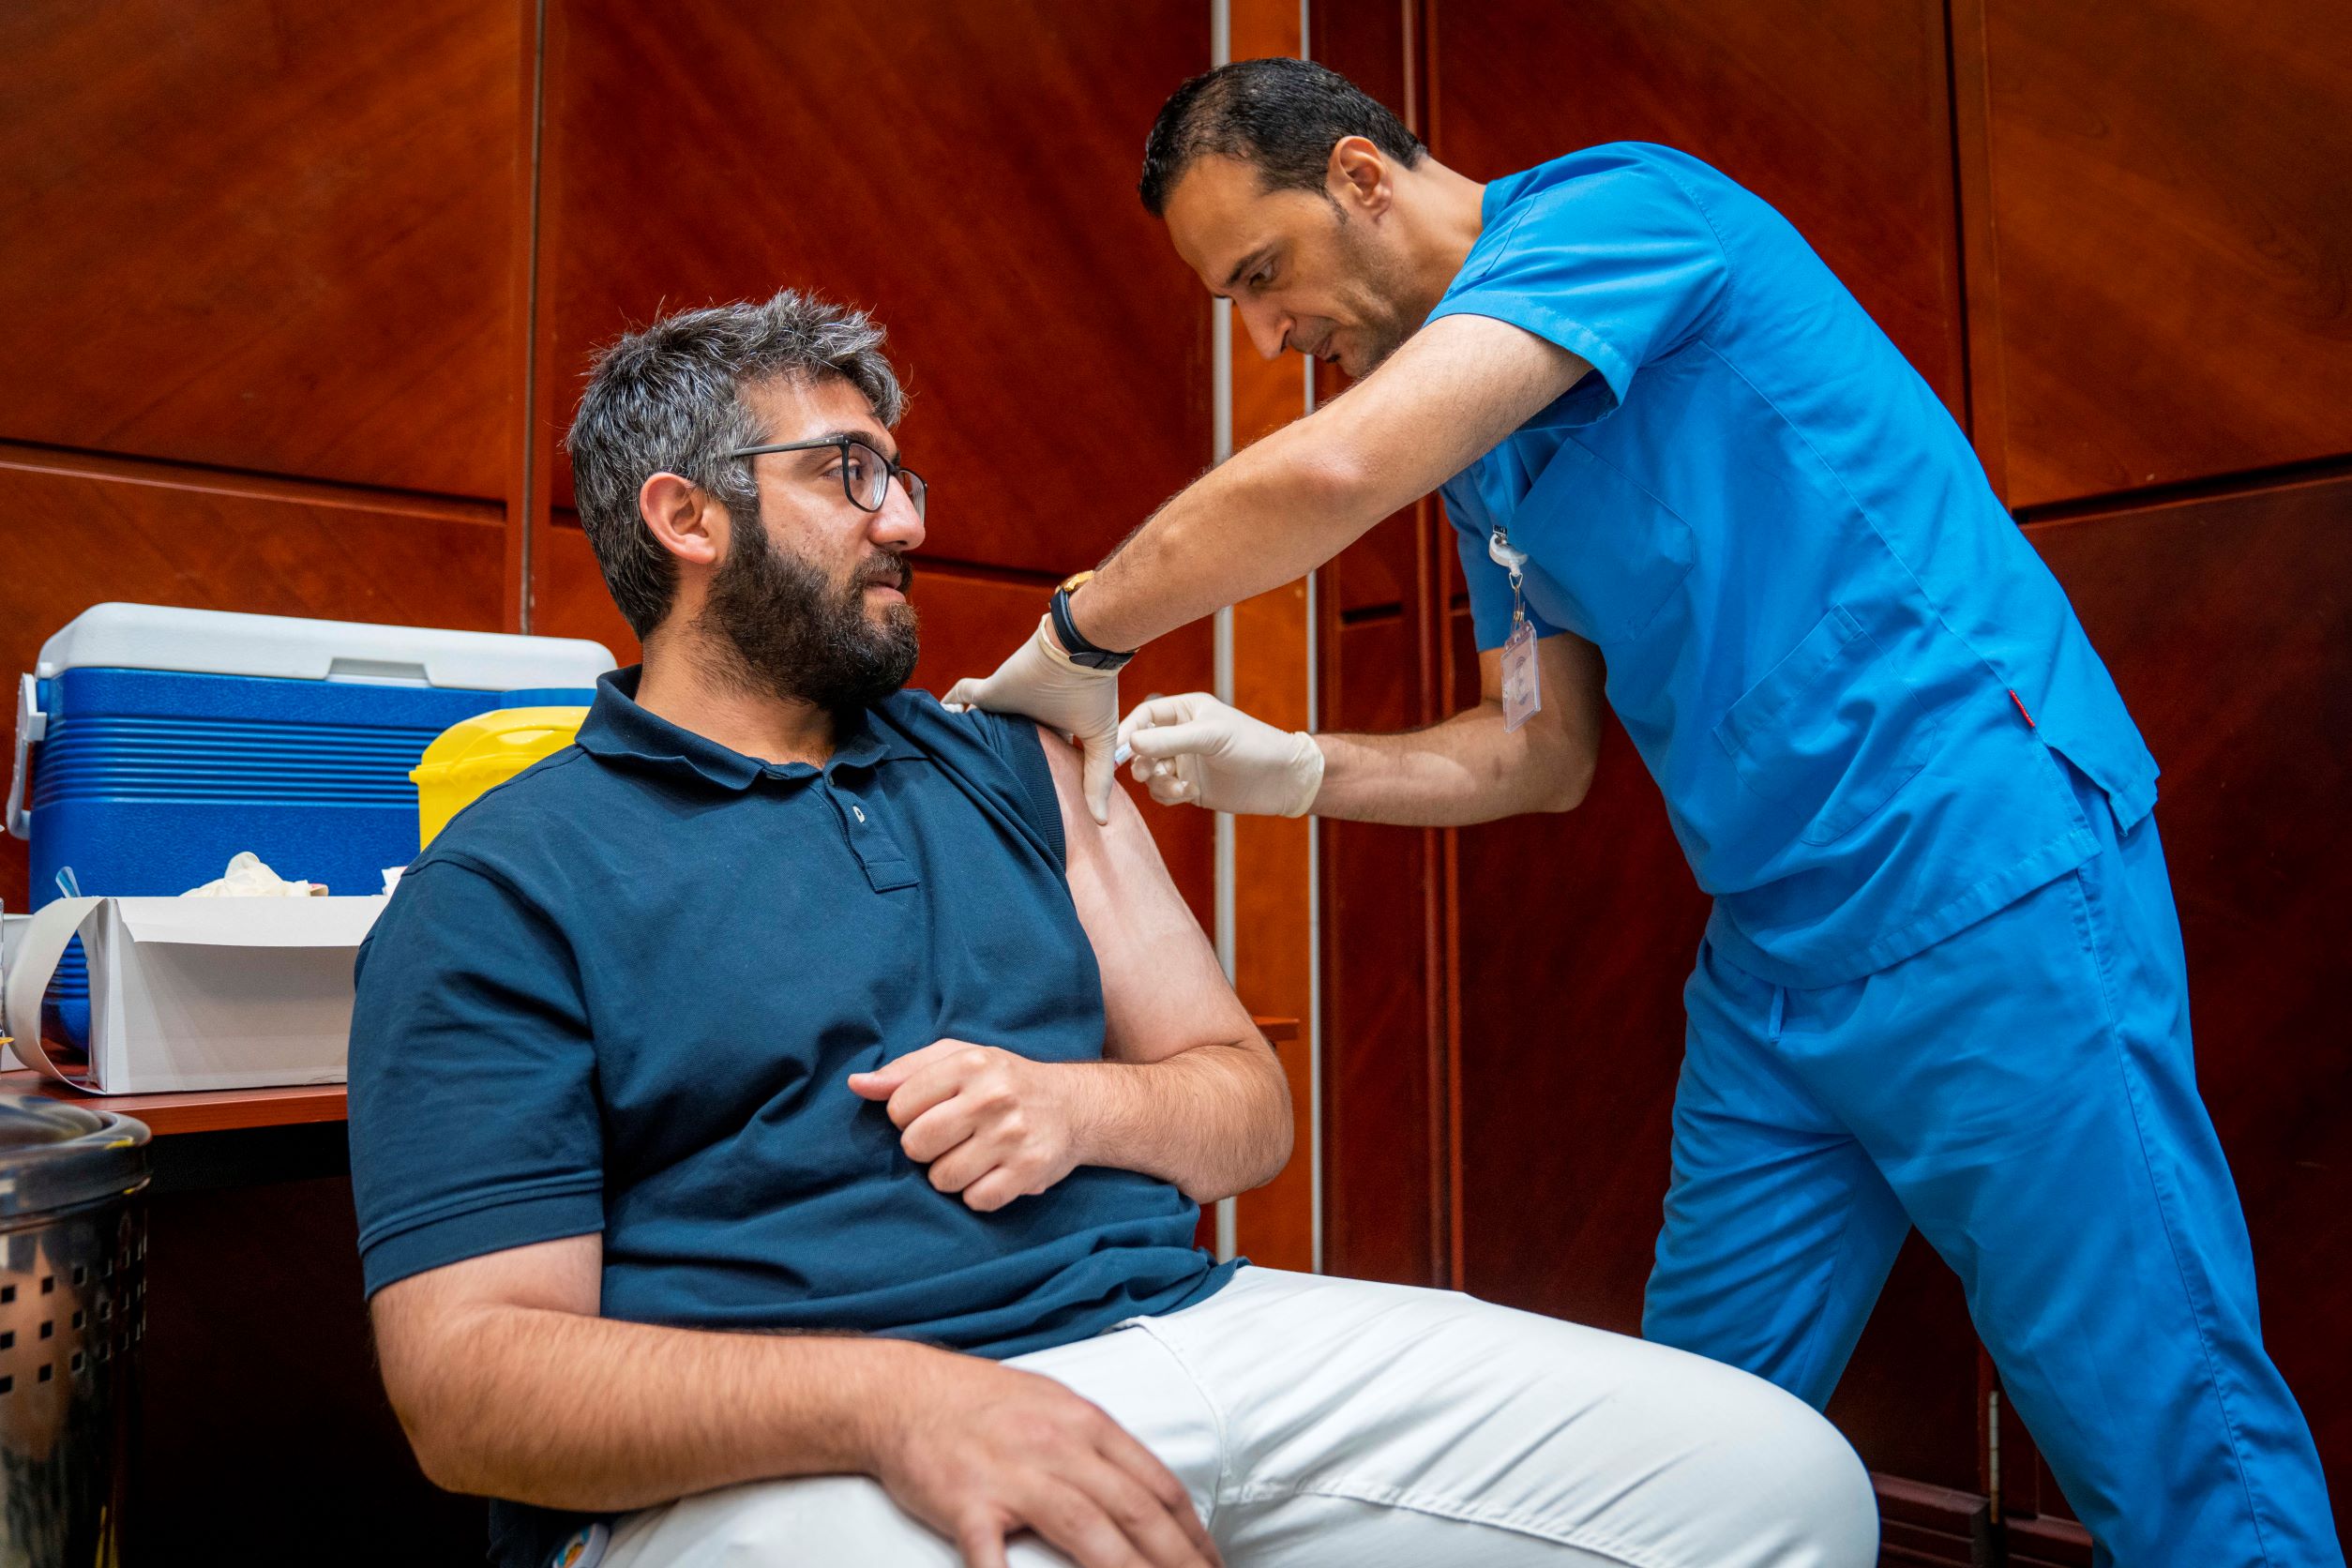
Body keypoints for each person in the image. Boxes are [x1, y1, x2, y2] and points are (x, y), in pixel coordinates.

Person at [945, 59, 2342, 1568]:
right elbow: (1537, 751)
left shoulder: (1621, 215)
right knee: (1685, 1449)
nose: (1268, 336)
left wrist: (1080, 633)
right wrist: (1293, 767)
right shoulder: (1486, 460)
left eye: (1262, 275)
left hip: (1981, 872)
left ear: (1360, 175)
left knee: (2169, 1433)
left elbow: (1341, 468)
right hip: (1776, 959)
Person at [345, 290, 1877, 1568]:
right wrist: (892, 1404)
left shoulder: (1017, 761)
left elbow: (1246, 1110)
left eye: (903, 476)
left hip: (1180, 1331)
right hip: (790, 1446)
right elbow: (468, 1389)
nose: (906, 520)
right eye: (849, 473)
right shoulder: (509, 880)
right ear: (685, 515)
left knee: (1778, 1485)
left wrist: (1078, 1109)